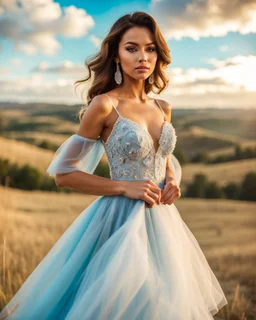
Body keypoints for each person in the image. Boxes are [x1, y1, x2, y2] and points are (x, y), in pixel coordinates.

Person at [0, 11, 228, 320]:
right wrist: (124, 186)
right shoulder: (105, 105)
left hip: (164, 223)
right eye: (131, 48)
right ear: (117, 55)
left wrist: (173, 180)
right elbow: (64, 175)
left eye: (149, 48)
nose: (142, 57)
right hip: (119, 223)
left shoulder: (163, 107)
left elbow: (163, 157)